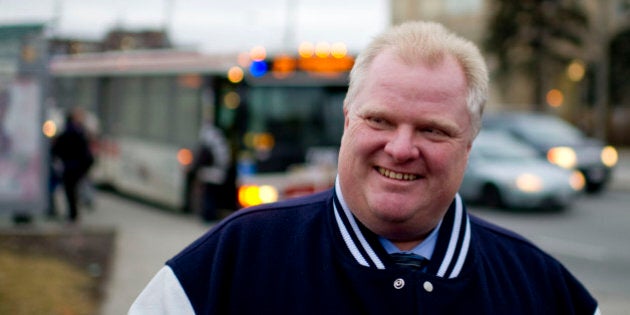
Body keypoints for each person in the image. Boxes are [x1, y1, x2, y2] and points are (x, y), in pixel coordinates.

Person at [130, 21, 599, 314]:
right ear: (348, 120)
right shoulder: (227, 263)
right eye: (379, 120)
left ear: (469, 145)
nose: (400, 149)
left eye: (432, 130)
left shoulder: (544, 290)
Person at [51, 107, 94, 223]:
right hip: (73, 166)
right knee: (71, 191)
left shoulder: (70, 131)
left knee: (71, 191)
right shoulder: (76, 132)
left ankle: (72, 215)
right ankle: (73, 215)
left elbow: (57, 148)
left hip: (70, 166)